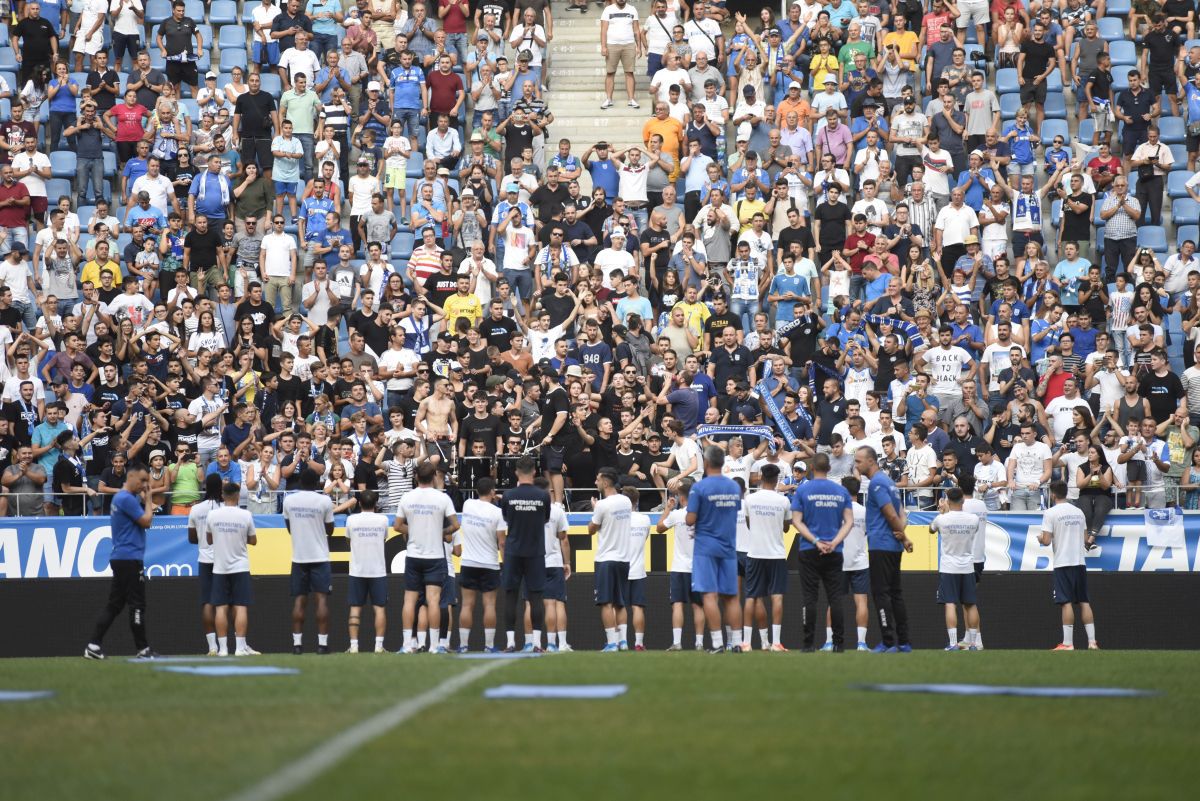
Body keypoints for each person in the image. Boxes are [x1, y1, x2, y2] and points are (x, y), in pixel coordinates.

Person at [84, 463, 158, 660]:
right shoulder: (126, 498)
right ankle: (143, 649)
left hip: (121, 557)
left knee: (115, 604)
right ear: (131, 477)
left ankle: (93, 645)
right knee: (137, 604)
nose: (145, 484)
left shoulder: (122, 498)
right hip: (129, 558)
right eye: (143, 480)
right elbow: (147, 521)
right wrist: (149, 499)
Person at [790, 454, 854, 652]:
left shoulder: (803, 490)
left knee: (810, 598)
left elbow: (796, 521)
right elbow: (849, 522)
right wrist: (834, 542)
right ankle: (839, 644)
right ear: (829, 468)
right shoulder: (841, 491)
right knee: (835, 598)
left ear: (811, 469)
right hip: (834, 550)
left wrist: (816, 541)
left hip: (809, 549)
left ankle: (808, 644)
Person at [685, 445, 744, 653]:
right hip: (728, 546)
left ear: (707, 462)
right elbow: (734, 510)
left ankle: (718, 643)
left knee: (709, 595)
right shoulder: (734, 487)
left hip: (705, 547)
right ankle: (737, 643)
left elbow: (690, 519)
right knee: (732, 596)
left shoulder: (699, 488)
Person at [395, 461, 459, 654]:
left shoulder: (407, 497)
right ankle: (434, 646)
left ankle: (407, 645)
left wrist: (414, 530)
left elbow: (397, 526)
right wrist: (441, 532)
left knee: (409, 600)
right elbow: (455, 525)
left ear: (416, 477)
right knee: (433, 600)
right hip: (435, 556)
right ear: (434, 477)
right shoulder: (443, 498)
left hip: (414, 554)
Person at [854, 445, 913, 652]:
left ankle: (888, 641)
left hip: (880, 544)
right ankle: (904, 642)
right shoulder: (888, 482)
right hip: (893, 546)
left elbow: (890, 514)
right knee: (896, 593)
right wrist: (903, 536)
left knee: (881, 594)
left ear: (871, 461)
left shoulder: (877, 483)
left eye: (858, 461)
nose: (856, 465)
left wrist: (902, 534)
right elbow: (901, 513)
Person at [1038, 481, 1100, 650]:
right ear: (1065, 493)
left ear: (1053, 494)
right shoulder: (1078, 512)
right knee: (1084, 601)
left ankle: (1067, 643)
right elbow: (1085, 538)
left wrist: (1040, 538)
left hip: (1063, 563)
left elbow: (1046, 541)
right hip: (1079, 562)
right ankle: (1092, 642)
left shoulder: (1050, 513)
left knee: (1066, 602)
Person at [282, 468, 335, 655]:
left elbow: (289, 528)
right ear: (316, 483)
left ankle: (297, 645)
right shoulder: (324, 501)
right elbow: (330, 530)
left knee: (299, 601)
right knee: (321, 601)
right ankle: (322, 645)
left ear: (300, 482)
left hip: (299, 557)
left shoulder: (289, 501)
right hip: (320, 556)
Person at [204, 481, 259, 657]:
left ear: (222, 495)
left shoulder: (212, 515)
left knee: (220, 608)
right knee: (241, 606)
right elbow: (253, 540)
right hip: (240, 566)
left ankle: (223, 649)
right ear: (237, 496)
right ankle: (240, 648)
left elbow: (209, 540)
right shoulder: (246, 515)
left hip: (220, 567)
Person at [929, 487, 982, 651]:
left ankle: (953, 643)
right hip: (967, 567)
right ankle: (973, 644)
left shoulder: (941, 519)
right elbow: (975, 530)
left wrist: (943, 512)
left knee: (950, 603)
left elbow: (931, 529)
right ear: (963, 500)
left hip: (949, 568)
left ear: (947, 501)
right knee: (970, 604)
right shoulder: (973, 519)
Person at [457, 475, 505, 652]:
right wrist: (506, 563)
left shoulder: (467, 504)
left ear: (477, 491)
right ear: (493, 492)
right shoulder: (498, 513)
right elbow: (502, 543)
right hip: (490, 564)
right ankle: (489, 646)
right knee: (490, 605)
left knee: (466, 605)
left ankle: (463, 645)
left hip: (469, 562)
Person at [589, 466, 633, 651]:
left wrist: (595, 509)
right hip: (623, 559)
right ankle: (623, 641)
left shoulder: (602, 505)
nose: (596, 482)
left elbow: (591, 529)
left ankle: (612, 643)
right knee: (620, 602)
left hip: (606, 559)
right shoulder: (626, 501)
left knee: (606, 602)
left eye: (598, 479)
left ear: (606, 482)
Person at [658, 478, 705, 650]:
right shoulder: (702, 514)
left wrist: (668, 509)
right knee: (698, 606)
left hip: (679, 567)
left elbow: (659, 528)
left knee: (677, 604)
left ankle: (677, 642)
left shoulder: (676, 515)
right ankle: (699, 643)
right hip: (699, 568)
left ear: (681, 497)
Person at [345, 489, 390, 654]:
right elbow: (383, 538)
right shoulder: (383, 520)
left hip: (357, 570)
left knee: (355, 608)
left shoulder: (351, 519)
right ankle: (378, 646)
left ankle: (354, 646)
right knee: (379, 608)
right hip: (377, 570)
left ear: (359, 503)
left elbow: (348, 540)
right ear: (376, 504)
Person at [186, 474, 224, 656]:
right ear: (221, 488)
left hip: (205, 559)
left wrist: (203, 540)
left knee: (207, 602)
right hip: (224, 559)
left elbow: (192, 538)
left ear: (205, 487)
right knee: (226, 603)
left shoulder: (196, 509)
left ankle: (212, 647)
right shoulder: (226, 509)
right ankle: (228, 646)